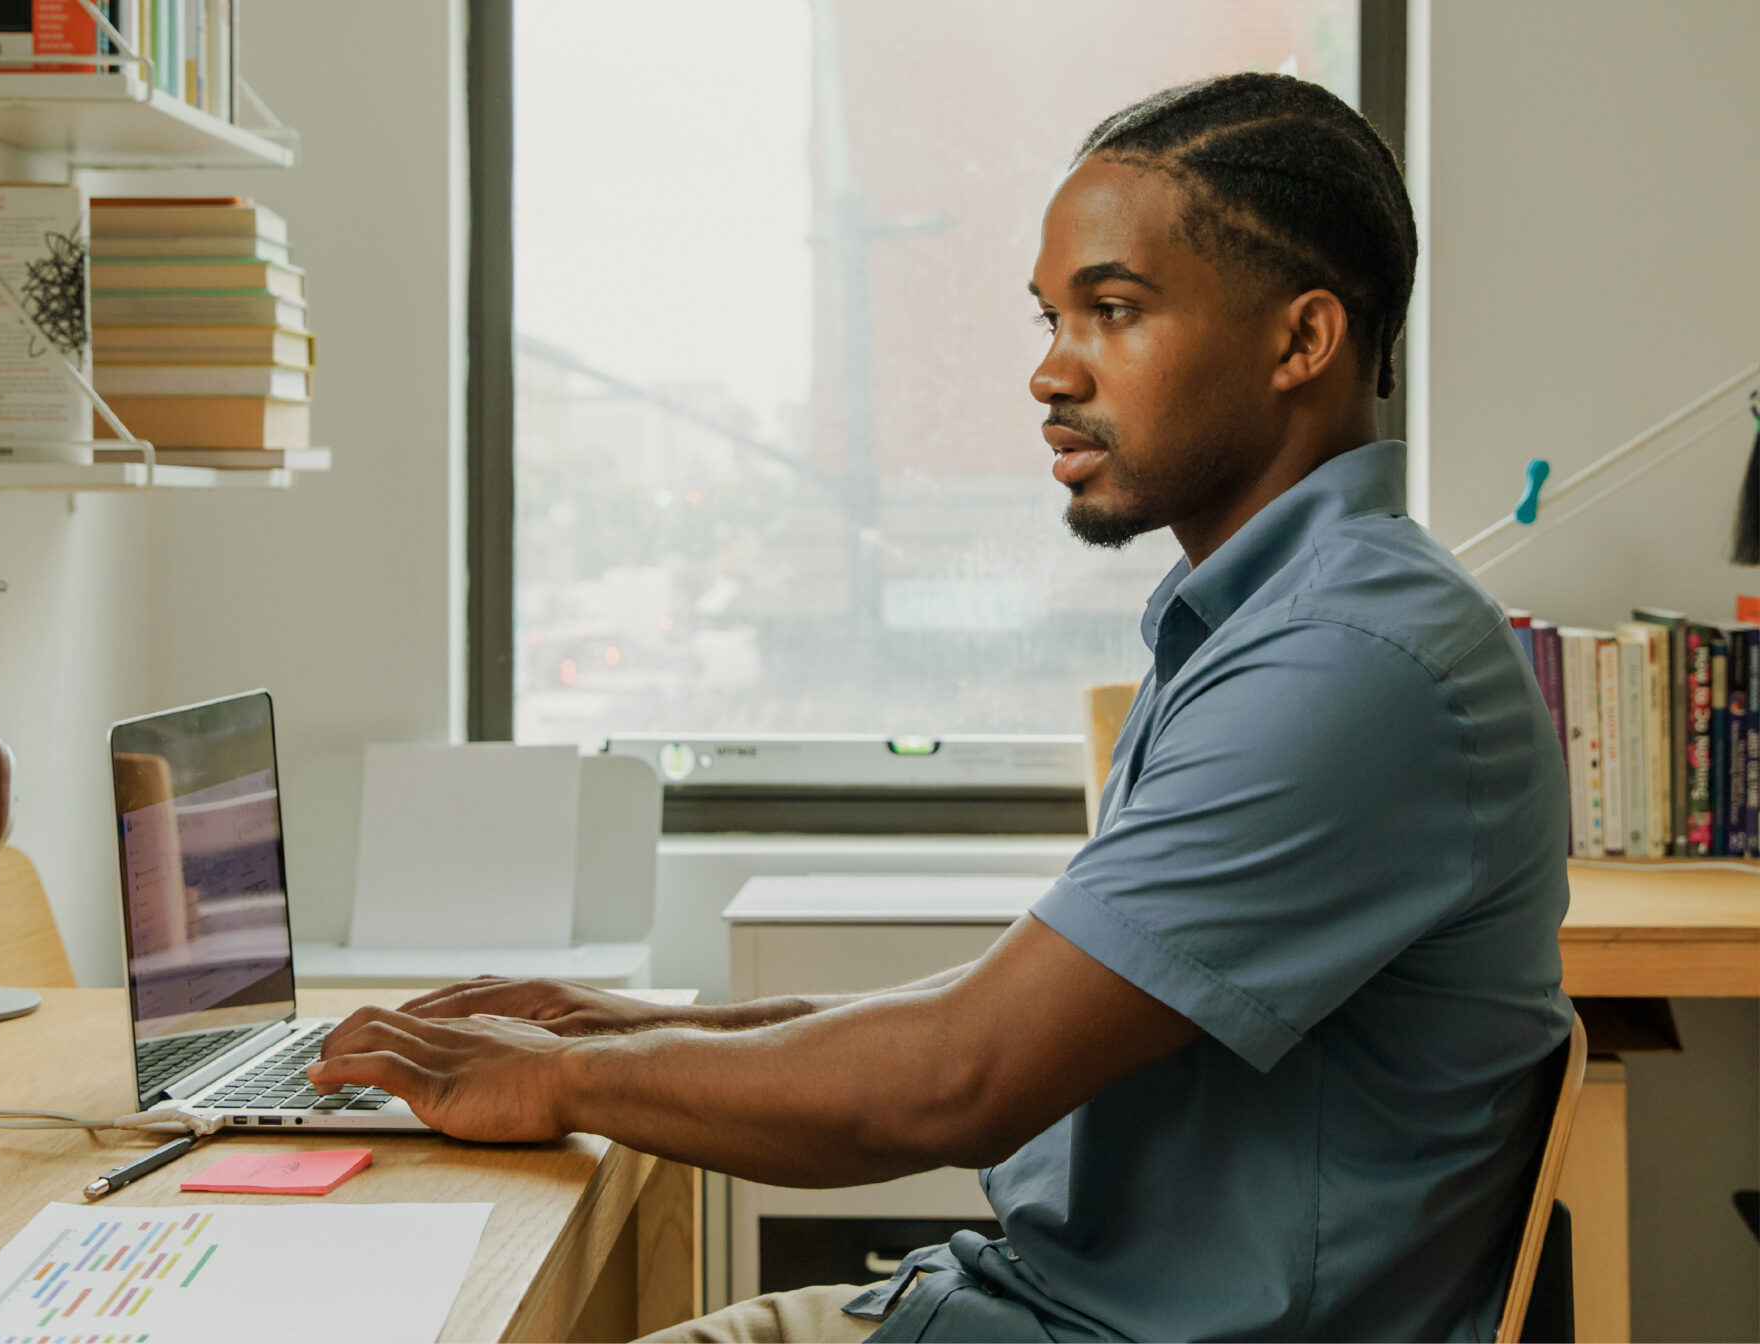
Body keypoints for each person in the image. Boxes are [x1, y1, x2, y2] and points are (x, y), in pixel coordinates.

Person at [310, 72, 1572, 1342]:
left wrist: (561, 1081)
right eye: (1050, 317)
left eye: (1113, 311)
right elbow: (1007, 1009)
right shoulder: (1279, 618)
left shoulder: (1345, 665)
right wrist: (618, 1031)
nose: (1049, 373)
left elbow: (950, 1082)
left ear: (1302, 341)